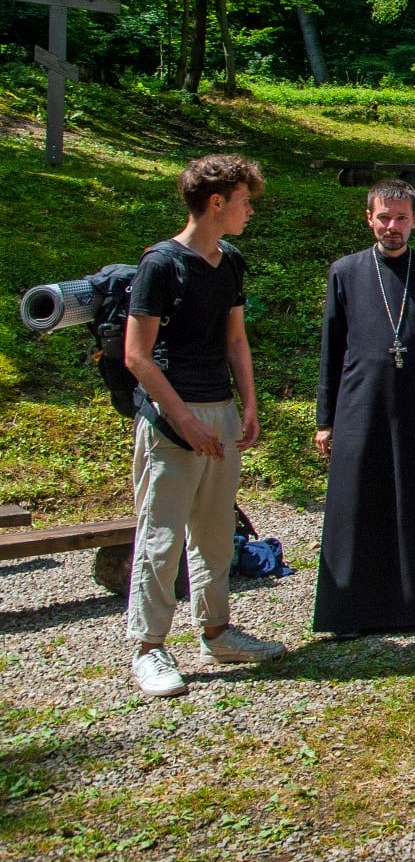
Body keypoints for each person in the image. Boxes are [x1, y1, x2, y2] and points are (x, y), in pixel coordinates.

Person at [122, 155, 284, 696]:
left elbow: (235, 337)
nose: (250, 211)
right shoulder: (160, 265)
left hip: (220, 409)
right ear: (217, 202)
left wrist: (250, 402)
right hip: (172, 418)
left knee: (216, 534)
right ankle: (149, 648)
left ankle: (217, 632)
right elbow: (136, 356)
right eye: (245, 201)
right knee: (160, 536)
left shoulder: (230, 260)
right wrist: (184, 420)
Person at [314, 179, 415, 637]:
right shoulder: (345, 272)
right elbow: (331, 350)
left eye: (401, 218)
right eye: (384, 217)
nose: (392, 226)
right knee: (361, 502)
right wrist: (326, 419)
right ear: (369, 218)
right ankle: (355, 611)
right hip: (360, 404)